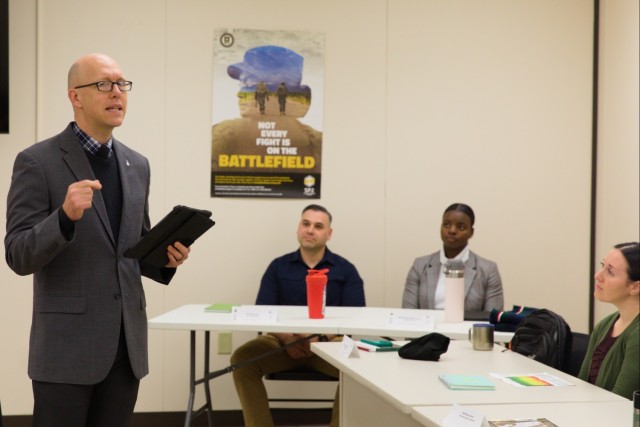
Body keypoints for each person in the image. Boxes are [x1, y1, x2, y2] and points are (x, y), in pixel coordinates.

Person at [4, 53, 191, 427]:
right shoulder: (37, 161)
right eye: (104, 84)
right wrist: (64, 217)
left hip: (127, 346)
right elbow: (18, 254)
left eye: (122, 84)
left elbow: (133, 247)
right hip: (66, 350)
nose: (117, 92)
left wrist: (164, 258)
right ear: (76, 96)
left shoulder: (137, 164)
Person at [230, 204, 365, 427]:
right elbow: (263, 311)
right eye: (306, 223)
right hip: (281, 343)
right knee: (242, 359)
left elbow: (356, 316)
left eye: (318, 226)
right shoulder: (278, 267)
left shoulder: (345, 269)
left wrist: (319, 338)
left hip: (328, 345)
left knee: (357, 362)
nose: (310, 230)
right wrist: (288, 338)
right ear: (298, 228)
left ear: (329, 234)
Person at [402, 203, 504, 312]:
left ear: (471, 232)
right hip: (427, 329)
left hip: (468, 329)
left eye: (460, 227)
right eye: (446, 224)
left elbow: (492, 320)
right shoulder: (420, 265)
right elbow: (408, 314)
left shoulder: (488, 270)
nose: (452, 230)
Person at [578, 242, 639, 400]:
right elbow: (581, 386)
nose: (598, 275)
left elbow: (619, 402)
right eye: (602, 265)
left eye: (610, 271)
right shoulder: (605, 325)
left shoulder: (637, 335)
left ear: (635, 287)